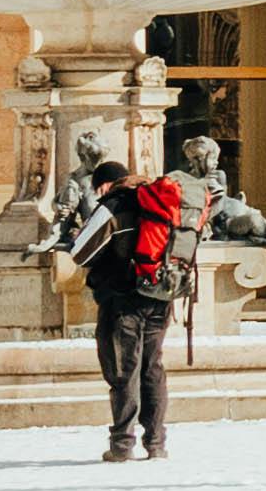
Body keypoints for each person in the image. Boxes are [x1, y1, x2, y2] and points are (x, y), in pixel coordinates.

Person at [69, 125, 194, 463]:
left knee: (124, 369)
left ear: (105, 185)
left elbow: (80, 254)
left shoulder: (113, 205)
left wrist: (81, 232)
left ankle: (122, 443)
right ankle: (156, 443)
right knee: (152, 367)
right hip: (160, 295)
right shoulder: (162, 203)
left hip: (122, 299)